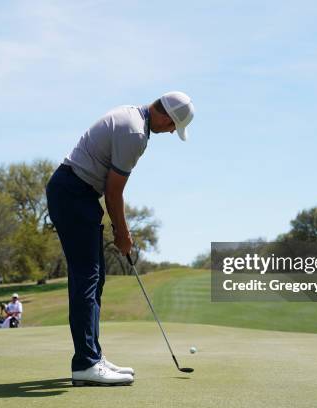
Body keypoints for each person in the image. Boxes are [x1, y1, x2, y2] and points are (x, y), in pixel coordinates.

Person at [46, 92, 194, 386]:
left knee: (94, 279)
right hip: (73, 193)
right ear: (165, 116)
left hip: (78, 193)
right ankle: (86, 364)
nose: (170, 132)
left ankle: (93, 357)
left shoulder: (133, 116)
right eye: (172, 127)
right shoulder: (135, 133)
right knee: (86, 279)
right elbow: (114, 193)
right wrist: (123, 234)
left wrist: (118, 229)